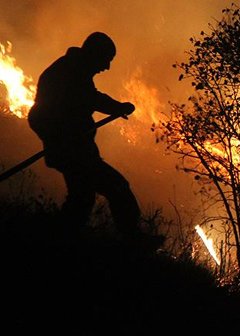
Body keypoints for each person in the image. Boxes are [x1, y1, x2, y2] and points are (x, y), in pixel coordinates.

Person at [28, 32, 163, 250]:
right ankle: (132, 240)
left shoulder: (74, 70)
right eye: (106, 60)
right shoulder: (68, 72)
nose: (107, 67)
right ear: (94, 54)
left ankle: (57, 242)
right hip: (71, 149)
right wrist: (116, 107)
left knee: (82, 198)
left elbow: (87, 99)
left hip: (74, 148)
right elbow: (84, 101)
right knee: (116, 187)